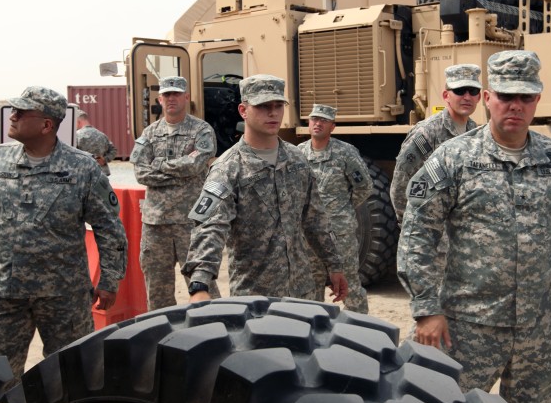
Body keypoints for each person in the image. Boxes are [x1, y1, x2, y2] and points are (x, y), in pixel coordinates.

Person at [396, 50, 551, 403]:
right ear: (488, 97)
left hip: (537, 331)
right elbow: (418, 233)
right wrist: (426, 308)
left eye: (525, 97)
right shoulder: (454, 160)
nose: (515, 106)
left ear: (537, 101)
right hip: (466, 327)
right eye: (506, 95)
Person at [0, 86, 127, 382]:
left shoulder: (82, 167)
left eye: (21, 112)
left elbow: (109, 227)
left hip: (65, 297)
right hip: (5, 294)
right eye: (13, 110)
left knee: (74, 377)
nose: (12, 116)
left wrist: (109, 279)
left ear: (46, 125)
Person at [182, 74, 348, 303]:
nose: (273, 113)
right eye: (263, 106)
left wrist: (333, 264)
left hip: (303, 293)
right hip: (256, 297)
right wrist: (200, 283)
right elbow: (210, 226)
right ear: (243, 110)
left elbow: (315, 218)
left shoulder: (297, 159)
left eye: (278, 105)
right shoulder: (228, 167)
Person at [131, 75, 219, 309]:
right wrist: (180, 169)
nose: (171, 98)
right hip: (155, 224)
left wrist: (158, 164)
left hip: (190, 223)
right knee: (157, 292)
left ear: (186, 97)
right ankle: (162, 340)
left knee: (203, 287)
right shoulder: (149, 133)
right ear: (160, 99)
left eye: (176, 94)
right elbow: (141, 173)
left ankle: (214, 333)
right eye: (167, 94)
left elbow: (196, 165)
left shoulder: (201, 130)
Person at [297, 103, 372, 312]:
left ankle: (361, 330)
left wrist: (343, 210)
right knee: (310, 285)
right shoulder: (298, 153)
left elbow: (364, 186)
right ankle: (311, 329)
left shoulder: (345, 153)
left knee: (349, 283)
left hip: (340, 233)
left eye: (323, 120)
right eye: (314, 119)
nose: (317, 123)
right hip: (309, 234)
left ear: (332, 126)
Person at [390, 64, 482, 224]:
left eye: (473, 91)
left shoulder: (476, 133)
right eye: (460, 91)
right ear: (446, 95)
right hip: (432, 230)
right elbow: (401, 181)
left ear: (479, 98)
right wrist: (408, 224)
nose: (467, 97)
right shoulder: (427, 132)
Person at [75, 110, 118, 176]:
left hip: (83, 173)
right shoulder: (101, 135)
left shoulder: (76, 135)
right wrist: (105, 160)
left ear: (78, 122)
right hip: (101, 173)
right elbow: (113, 150)